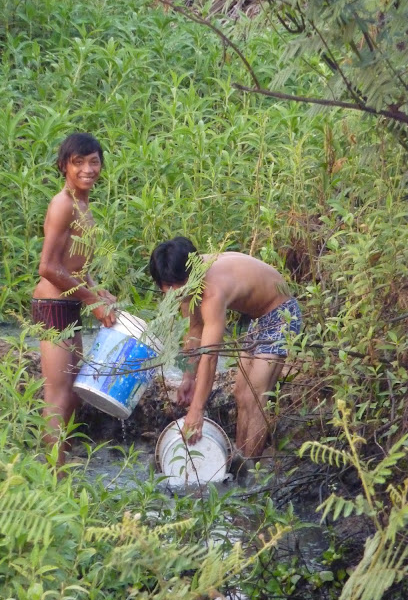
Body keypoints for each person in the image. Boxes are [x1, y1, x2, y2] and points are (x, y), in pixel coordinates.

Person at [149, 237, 301, 465]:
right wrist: (188, 377)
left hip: (280, 312)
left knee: (255, 397)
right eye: (167, 287)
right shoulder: (186, 283)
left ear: (190, 276)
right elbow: (194, 330)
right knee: (241, 394)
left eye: (175, 287)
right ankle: (238, 460)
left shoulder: (212, 292)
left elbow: (210, 357)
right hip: (255, 317)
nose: (172, 293)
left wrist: (197, 410)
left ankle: (251, 471)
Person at [32, 132, 116, 466]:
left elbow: (75, 264)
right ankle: (54, 475)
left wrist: (97, 290)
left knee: (72, 393)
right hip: (53, 305)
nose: (87, 169)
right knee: (59, 393)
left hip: (68, 304)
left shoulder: (83, 203)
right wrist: (91, 301)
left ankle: (61, 464)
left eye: (93, 161)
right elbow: (48, 266)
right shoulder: (63, 203)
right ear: (64, 165)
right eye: (78, 162)